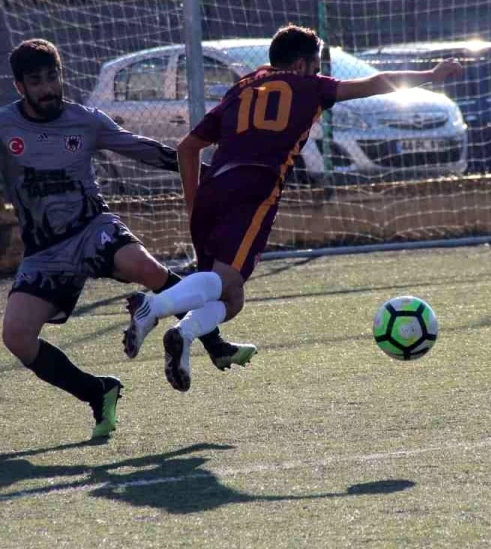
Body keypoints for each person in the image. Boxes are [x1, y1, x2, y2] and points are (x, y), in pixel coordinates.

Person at [0, 39, 255, 439]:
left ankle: (213, 343)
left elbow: (141, 149)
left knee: (144, 268)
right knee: (17, 337)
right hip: (44, 252)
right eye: (36, 81)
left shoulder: (84, 121)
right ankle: (97, 392)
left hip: (92, 228)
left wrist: (206, 168)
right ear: (20, 87)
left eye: (53, 76)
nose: (48, 88)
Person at [123, 24, 463, 391]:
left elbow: (187, 148)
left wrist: (193, 204)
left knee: (231, 296)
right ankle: (152, 308)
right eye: (316, 66)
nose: (319, 73)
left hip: (211, 188)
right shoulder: (309, 86)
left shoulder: (241, 87)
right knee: (224, 280)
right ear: (301, 65)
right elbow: (376, 83)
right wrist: (432, 75)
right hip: (255, 187)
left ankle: (183, 336)